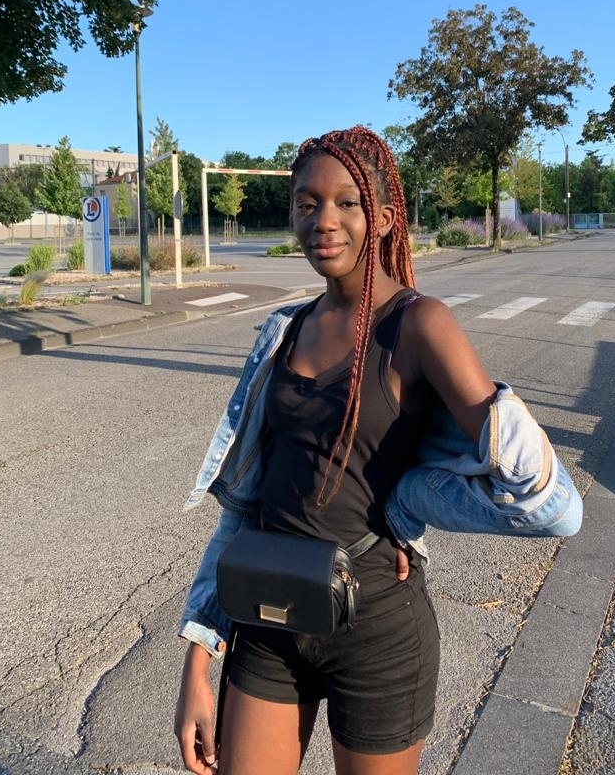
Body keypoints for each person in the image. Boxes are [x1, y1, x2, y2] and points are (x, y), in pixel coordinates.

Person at [174, 126, 581, 775]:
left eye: (347, 203)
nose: (324, 221)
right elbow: (243, 508)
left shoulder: (417, 325)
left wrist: (410, 504)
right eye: (307, 204)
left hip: (378, 631)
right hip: (270, 614)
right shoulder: (284, 332)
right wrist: (199, 658)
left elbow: (550, 505)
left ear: (385, 218)